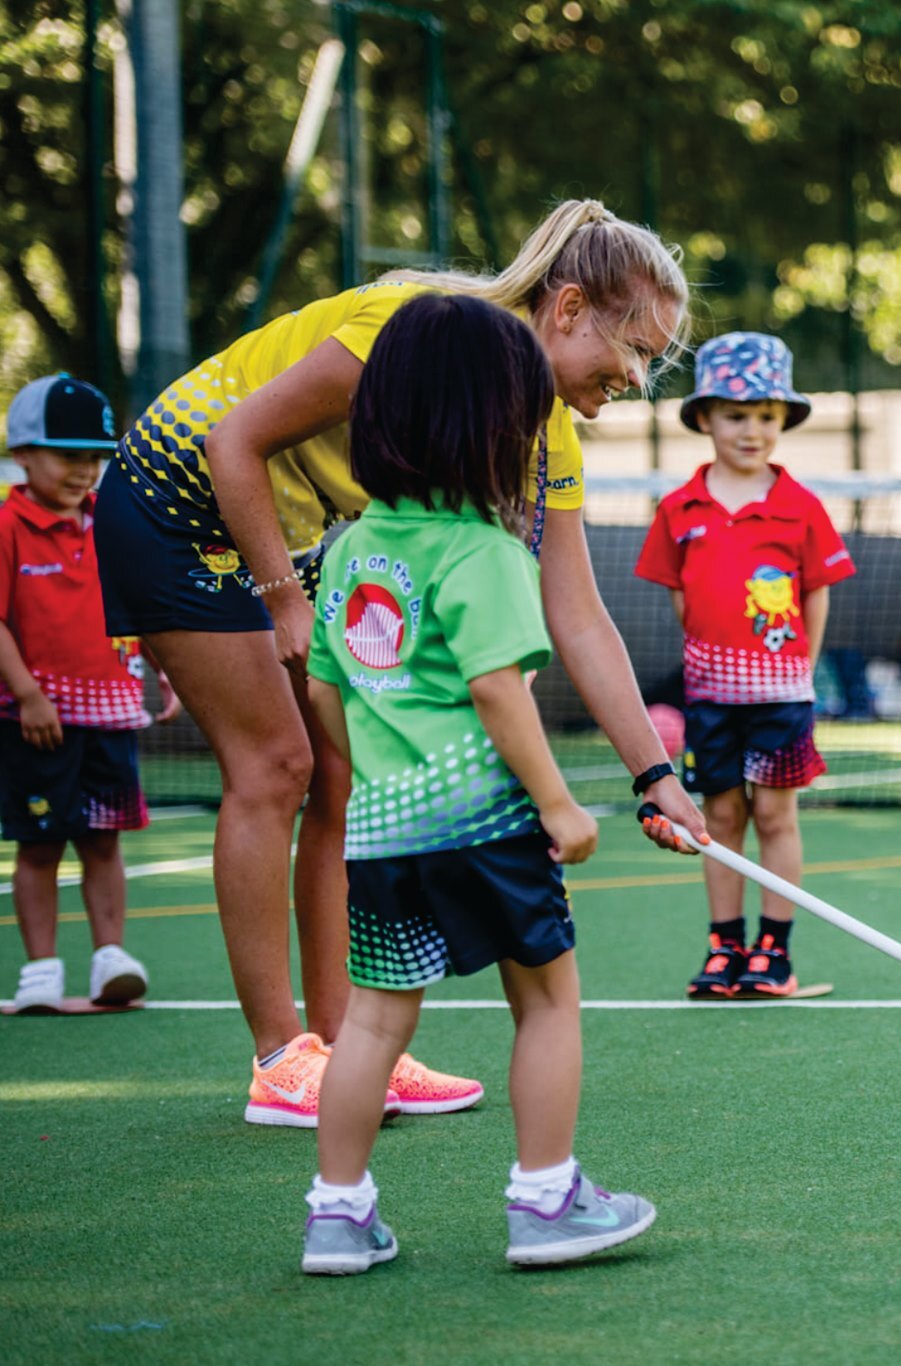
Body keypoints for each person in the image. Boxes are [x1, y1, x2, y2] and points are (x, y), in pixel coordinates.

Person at [93, 200, 710, 1127]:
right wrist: (285, 602)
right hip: (177, 497)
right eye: (634, 348)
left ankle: (347, 1050)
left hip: (284, 527)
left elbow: (575, 611)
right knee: (278, 766)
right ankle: (278, 1058)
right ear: (570, 307)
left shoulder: (546, 423)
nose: (637, 376)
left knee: (342, 775)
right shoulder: (406, 330)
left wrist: (654, 773)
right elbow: (236, 442)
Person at [298, 294, 650, 1275]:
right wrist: (556, 803)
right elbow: (498, 688)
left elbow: (326, 699)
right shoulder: (487, 550)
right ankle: (546, 1199)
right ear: (496, 427)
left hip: (378, 829)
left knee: (370, 1018)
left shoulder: (350, 550)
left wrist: (380, 766)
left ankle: (337, 1211)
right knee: (545, 1003)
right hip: (485, 823)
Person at [633, 333, 855, 999]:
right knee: (718, 821)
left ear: (783, 419)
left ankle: (773, 953)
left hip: (783, 698)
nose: (751, 430)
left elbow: (816, 590)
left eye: (765, 415)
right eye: (735, 414)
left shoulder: (802, 507)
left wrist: (799, 670)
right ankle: (725, 945)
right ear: (703, 418)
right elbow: (681, 596)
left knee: (776, 820)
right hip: (710, 698)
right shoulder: (678, 510)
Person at [2, 376, 173, 1010]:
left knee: (103, 840)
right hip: (38, 720)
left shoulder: (110, 524)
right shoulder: (7, 526)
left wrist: (165, 671)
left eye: (94, 457)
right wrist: (28, 695)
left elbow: (138, 605)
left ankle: (110, 960)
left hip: (113, 713)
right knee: (40, 843)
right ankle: (41, 972)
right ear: (22, 453)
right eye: (67, 454)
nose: (84, 470)